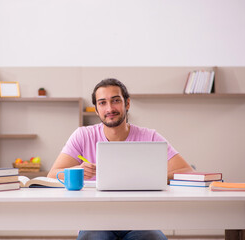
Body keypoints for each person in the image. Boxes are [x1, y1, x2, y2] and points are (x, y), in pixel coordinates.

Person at [47, 78, 193, 240]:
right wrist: (76, 170)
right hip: (95, 221)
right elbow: (52, 175)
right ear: (96, 109)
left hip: (141, 221)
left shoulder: (149, 136)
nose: (109, 108)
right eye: (102, 103)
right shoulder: (82, 135)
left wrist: (154, 177)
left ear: (127, 103)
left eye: (115, 101)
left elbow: (186, 171)